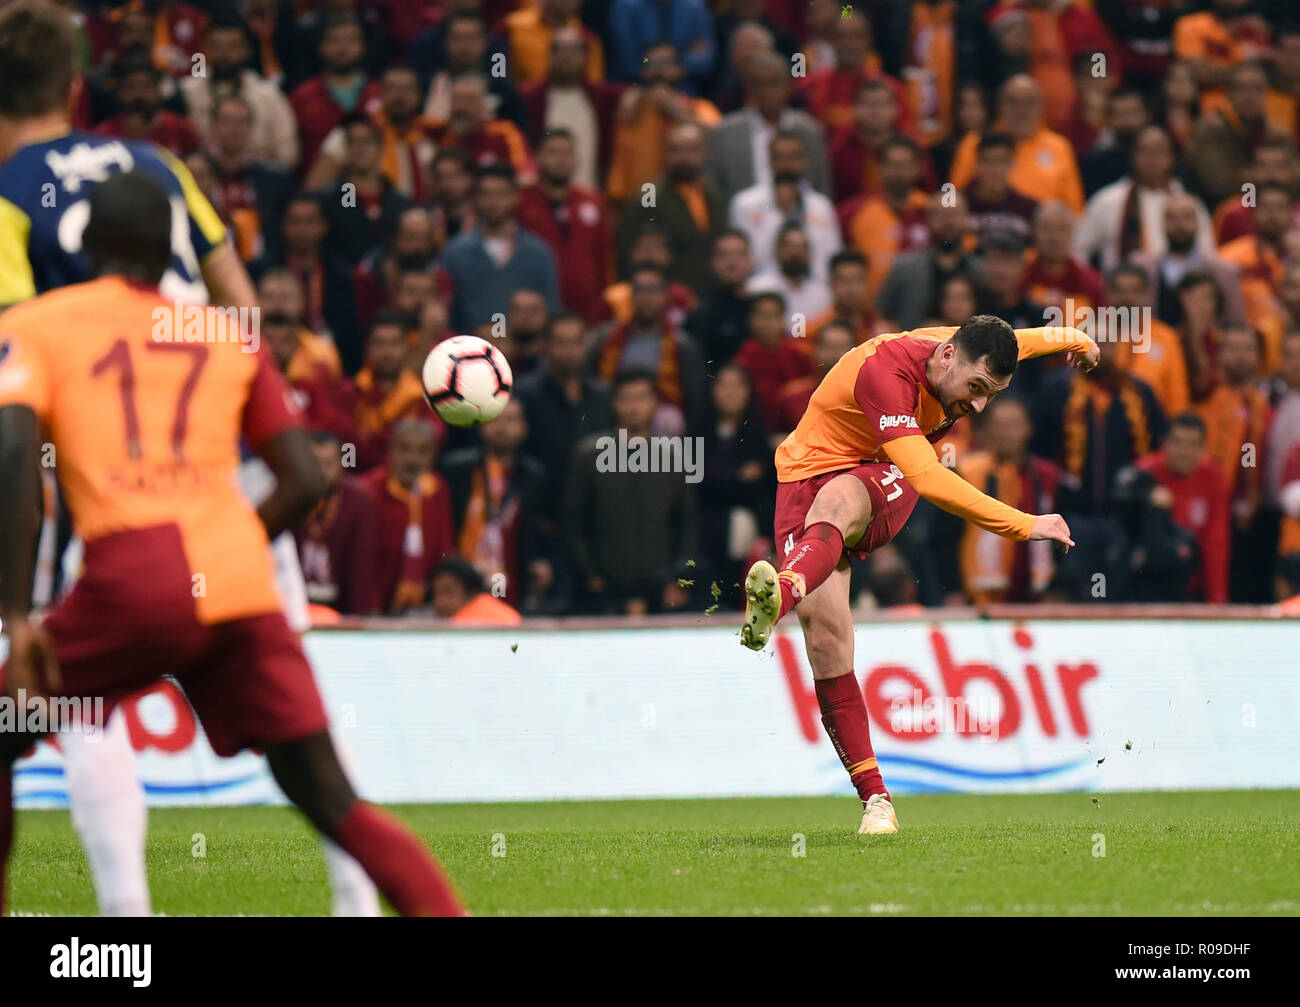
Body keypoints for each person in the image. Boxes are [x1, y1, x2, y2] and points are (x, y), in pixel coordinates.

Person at [0, 169, 463, 916]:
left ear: (89, 244)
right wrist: (223, 545)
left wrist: (17, 614)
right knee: (331, 795)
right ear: (170, 249)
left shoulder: (42, 323)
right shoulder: (224, 331)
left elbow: (15, 458)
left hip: (131, 571)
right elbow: (307, 480)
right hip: (237, 579)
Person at [738, 316, 1097, 835]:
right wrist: (1025, 523)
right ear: (947, 356)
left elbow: (1023, 343)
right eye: (977, 389)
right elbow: (935, 478)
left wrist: (1077, 340)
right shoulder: (886, 375)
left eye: (992, 396)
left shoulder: (965, 349)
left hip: (884, 474)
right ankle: (877, 804)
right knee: (828, 642)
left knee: (837, 501)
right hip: (804, 475)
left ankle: (784, 591)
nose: (978, 407)